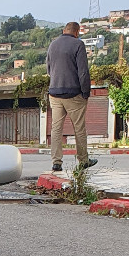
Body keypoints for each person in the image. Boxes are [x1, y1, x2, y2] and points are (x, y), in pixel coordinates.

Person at [47, 22, 96, 172]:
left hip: (54, 92)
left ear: (64, 30)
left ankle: (56, 162)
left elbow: (49, 69)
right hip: (73, 93)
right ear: (77, 32)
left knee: (56, 128)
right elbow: (83, 72)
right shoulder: (78, 44)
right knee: (79, 128)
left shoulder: (52, 45)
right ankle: (83, 160)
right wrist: (85, 92)